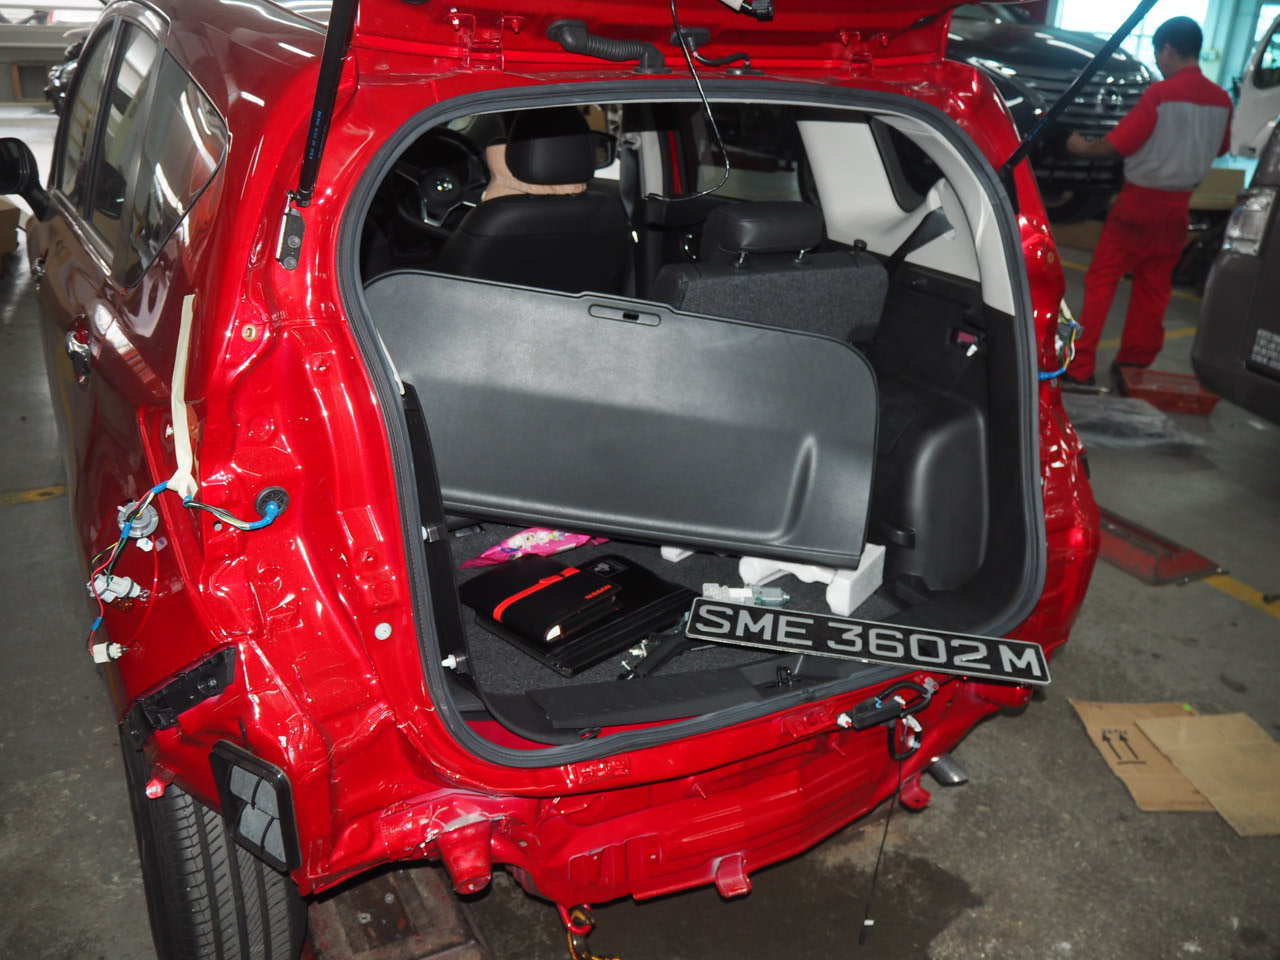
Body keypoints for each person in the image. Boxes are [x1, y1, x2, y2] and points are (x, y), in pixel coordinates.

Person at [1062, 17, 1231, 386]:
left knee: (1102, 280)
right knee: (1153, 288)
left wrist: (1081, 148)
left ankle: (1080, 367)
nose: (1157, 62)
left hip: (1138, 205)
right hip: (1178, 210)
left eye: (1158, 54)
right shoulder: (1222, 101)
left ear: (1167, 50)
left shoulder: (1159, 95)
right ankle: (1133, 365)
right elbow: (1222, 148)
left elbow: (1120, 143)